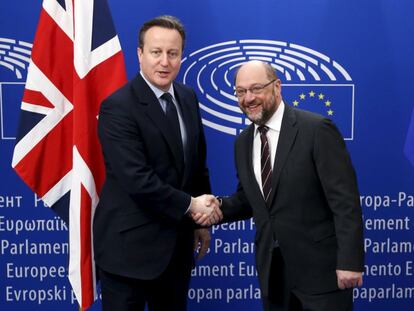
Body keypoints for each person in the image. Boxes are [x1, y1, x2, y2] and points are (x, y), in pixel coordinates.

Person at [198, 60, 364, 310]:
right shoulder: (243, 142)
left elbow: (345, 202)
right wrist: (216, 207)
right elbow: (249, 200)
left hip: (322, 274)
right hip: (273, 276)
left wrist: (350, 261)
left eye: (256, 88)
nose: (248, 98)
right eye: (241, 91)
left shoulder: (316, 129)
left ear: (277, 87)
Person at [93, 15, 221, 311]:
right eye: (156, 52)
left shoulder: (188, 98)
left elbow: (197, 164)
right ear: (139, 54)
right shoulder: (117, 107)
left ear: (181, 57)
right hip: (128, 255)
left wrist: (200, 223)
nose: (165, 62)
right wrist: (191, 206)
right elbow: (136, 179)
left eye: (172, 53)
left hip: (176, 250)